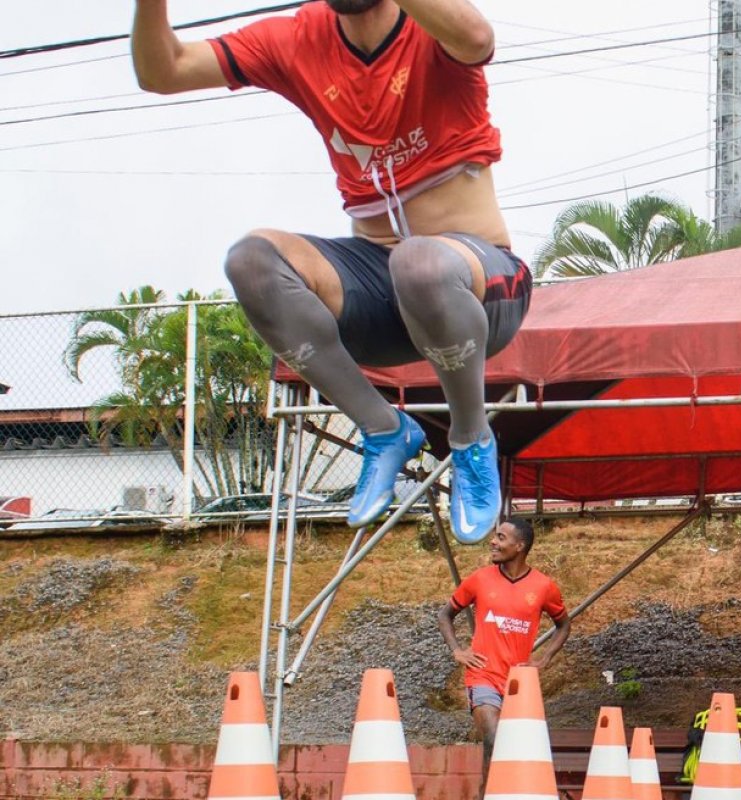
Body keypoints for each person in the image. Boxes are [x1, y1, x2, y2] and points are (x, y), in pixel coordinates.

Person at [131, 0, 531, 541]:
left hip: (479, 287)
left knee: (420, 261)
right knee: (249, 260)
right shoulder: (299, 39)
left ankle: (470, 438)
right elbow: (163, 71)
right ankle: (383, 430)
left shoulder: (429, 24)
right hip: (378, 298)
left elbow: (476, 37)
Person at [437, 518, 571, 798]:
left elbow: (564, 625)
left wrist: (544, 658)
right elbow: (445, 614)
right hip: (482, 675)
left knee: (509, 744)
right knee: (494, 736)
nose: (493, 542)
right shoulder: (480, 578)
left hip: (518, 685)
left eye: (500, 537)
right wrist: (457, 650)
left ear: (519, 546)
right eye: (494, 537)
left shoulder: (544, 586)